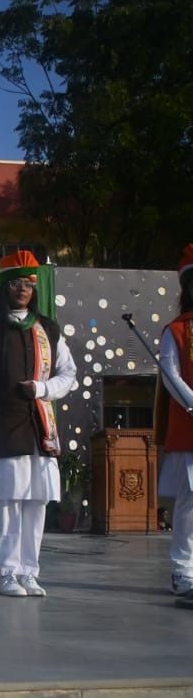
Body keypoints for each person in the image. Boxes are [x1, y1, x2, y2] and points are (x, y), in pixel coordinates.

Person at [0, 250, 76, 597]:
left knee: (36, 501)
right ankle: (9, 573)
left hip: (41, 429)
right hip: (4, 429)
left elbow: (68, 373)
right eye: (15, 284)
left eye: (27, 283)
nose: (22, 289)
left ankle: (30, 572)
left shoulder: (48, 329)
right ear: (4, 288)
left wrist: (42, 389)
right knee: (9, 502)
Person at [157, 244, 193, 605]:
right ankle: (184, 572)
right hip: (190, 428)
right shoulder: (176, 330)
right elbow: (170, 375)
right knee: (191, 503)